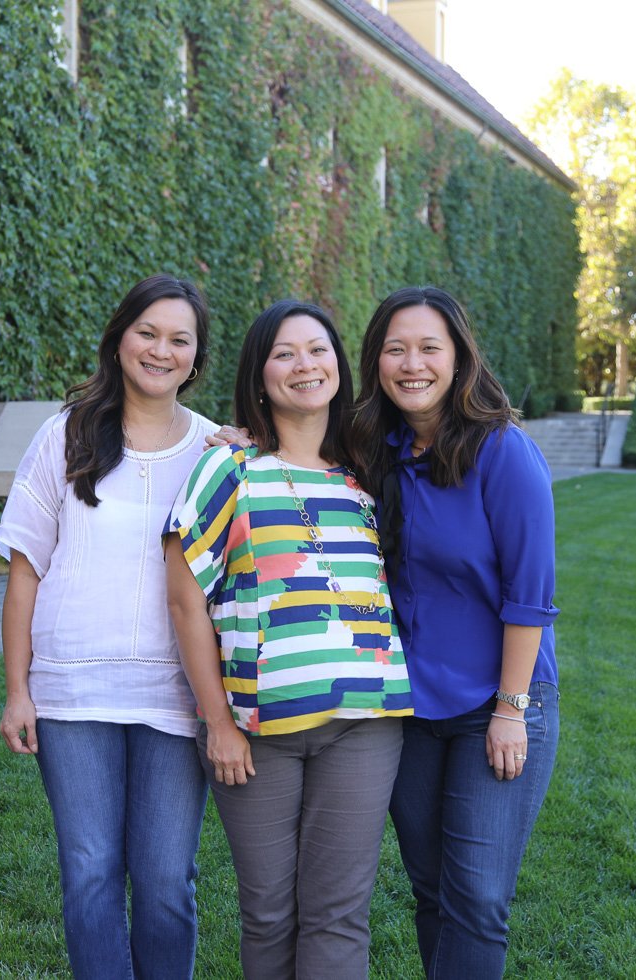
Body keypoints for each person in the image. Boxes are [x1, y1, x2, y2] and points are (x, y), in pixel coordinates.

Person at [164, 300, 413, 980]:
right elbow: (186, 604)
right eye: (284, 353)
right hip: (256, 730)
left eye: (318, 349)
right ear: (260, 372)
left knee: (338, 913)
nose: (305, 364)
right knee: (269, 912)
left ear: (339, 362)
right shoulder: (229, 470)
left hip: (364, 722)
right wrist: (217, 721)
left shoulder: (369, 472)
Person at [0, 274, 218, 980]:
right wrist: (17, 690)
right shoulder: (64, 435)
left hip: (176, 698)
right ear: (120, 337)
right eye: (147, 332)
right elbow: (25, 570)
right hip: (72, 693)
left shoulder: (219, 451)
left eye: (179, 339)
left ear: (196, 356)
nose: (161, 350)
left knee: (165, 885)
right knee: (90, 874)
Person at [347, 285, 561, 980]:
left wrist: (510, 710)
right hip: (408, 705)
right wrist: (238, 438)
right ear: (376, 360)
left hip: (495, 703)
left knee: (476, 897)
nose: (413, 363)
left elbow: (529, 599)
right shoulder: (375, 451)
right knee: (431, 889)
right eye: (395, 348)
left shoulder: (505, 453)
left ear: (460, 357)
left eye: (429, 347)